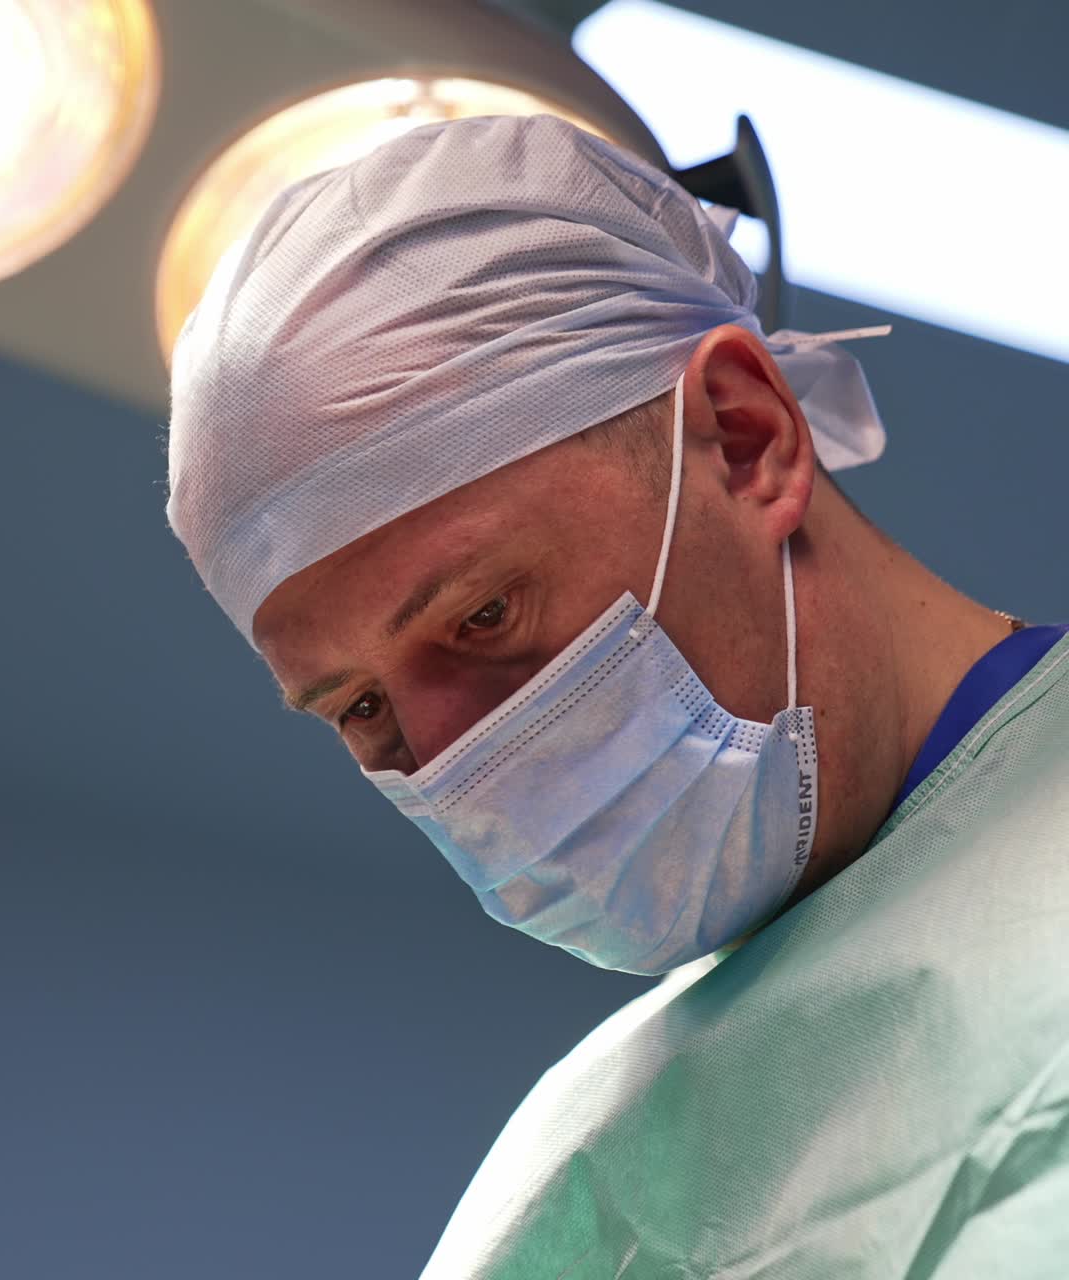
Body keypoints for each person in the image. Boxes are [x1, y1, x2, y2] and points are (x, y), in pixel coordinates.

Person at [165, 113, 1069, 1277]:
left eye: (482, 615)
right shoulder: (577, 1181)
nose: (452, 762)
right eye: (360, 710)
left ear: (744, 438)